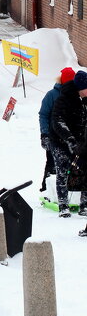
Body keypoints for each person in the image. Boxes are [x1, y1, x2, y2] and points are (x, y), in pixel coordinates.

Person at [50, 70, 87, 217]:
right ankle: (63, 205)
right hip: (60, 141)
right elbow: (57, 121)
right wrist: (69, 139)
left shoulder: (84, 100)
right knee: (63, 170)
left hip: (80, 142)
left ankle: (84, 205)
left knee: (84, 170)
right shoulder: (63, 99)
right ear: (80, 88)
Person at [38, 67, 75, 190]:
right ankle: (46, 189)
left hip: (70, 137)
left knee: (70, 165)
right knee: (52, 163)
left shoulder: (75, 94)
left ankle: (68, 190)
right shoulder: (52, 95)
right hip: (53, 137)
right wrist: (44, 134)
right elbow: (43, 115)